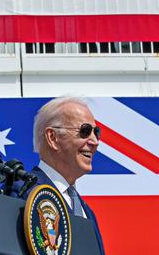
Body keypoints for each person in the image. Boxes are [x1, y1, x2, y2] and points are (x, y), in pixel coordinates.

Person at [14, 97, 105, 255]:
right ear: (52, 138)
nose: (95, 141)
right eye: (85, 131)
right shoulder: (22, 191)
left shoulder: (87, 212)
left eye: (96, 132)